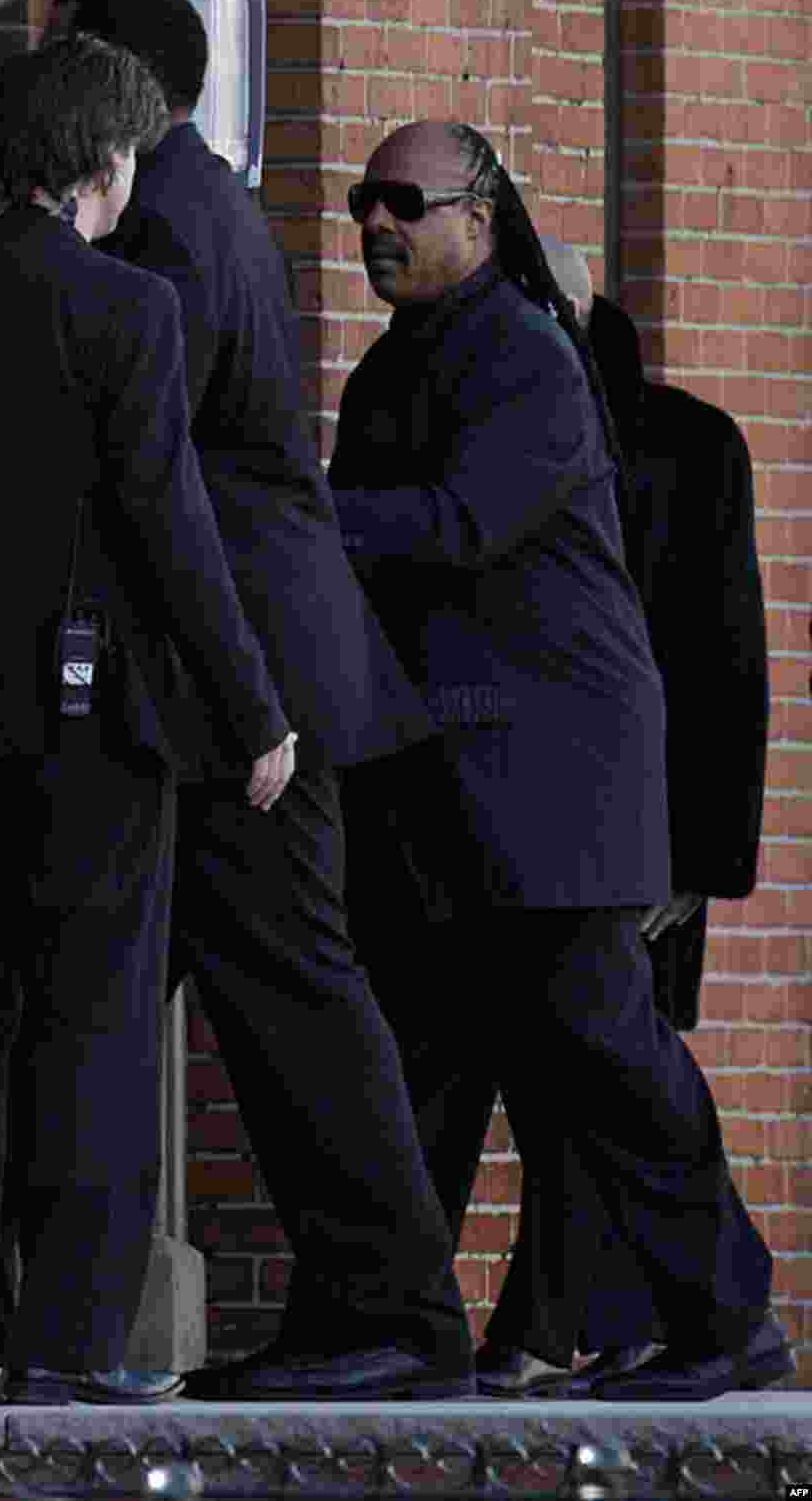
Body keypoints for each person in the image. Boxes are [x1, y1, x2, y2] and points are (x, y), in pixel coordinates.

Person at [289, 118, 790, 1403]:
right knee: (407, 1068)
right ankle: (385, 1325)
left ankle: (726, 1322)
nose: (374, 225)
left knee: (611, 1061)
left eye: (405, 201)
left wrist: (292, 511)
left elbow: (461, 525)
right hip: (444, 783)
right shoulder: (400, 365)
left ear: (483, 215)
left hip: (548, 784)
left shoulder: (522, 354)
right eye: (361, 202)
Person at [0, 32, 299, 1406]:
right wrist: (255, 715)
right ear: (111, 163)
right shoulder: (131, 313)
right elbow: (173, 534)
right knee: (92, 1036)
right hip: (92, 727)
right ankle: (72, 1343)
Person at [55, 0, 476, 1402]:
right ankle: (355, 1308)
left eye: (64, 49)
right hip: (241, 670)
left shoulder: (170, 219)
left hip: (248, 684)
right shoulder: (200, 200)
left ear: (111, 72)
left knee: (294, 991)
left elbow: (140, 452)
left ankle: (400, 1315)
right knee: (259, 990)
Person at [519, 237, 772, 1393]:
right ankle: (569, 1319)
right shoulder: (498, 423)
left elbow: (726, 664)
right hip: (526, 815)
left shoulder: (686, 443)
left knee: (619, 1071)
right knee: (575, 1072)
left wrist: (699, 853)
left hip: (640, 824)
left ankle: (640, 1321)